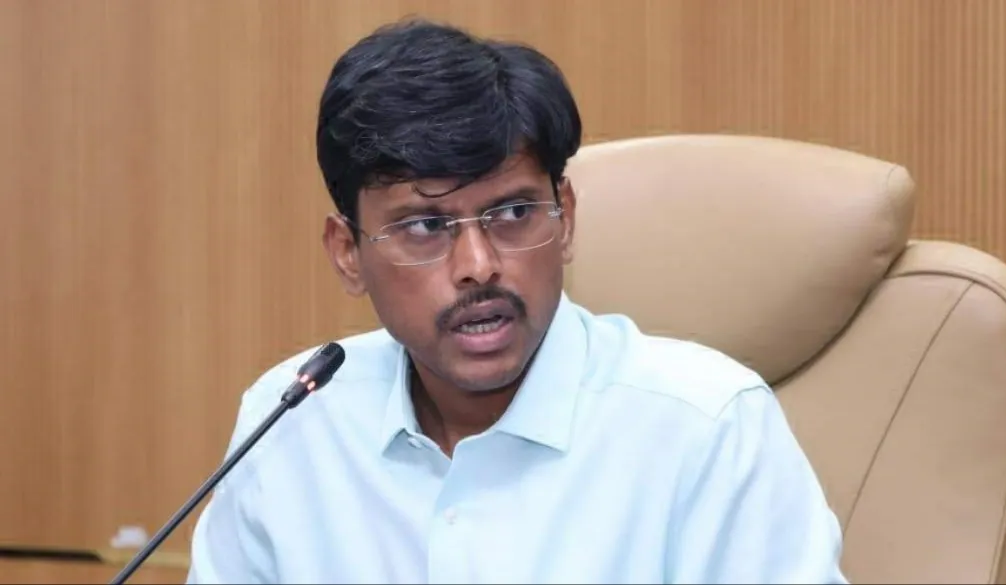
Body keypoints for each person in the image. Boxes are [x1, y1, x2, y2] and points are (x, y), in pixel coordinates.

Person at [186, 18, 847, 585]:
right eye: (426, 226)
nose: (479, 266)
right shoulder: (293, 422)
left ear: (566, 217)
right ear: (347, 253)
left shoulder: (707, 428)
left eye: (512, 213)